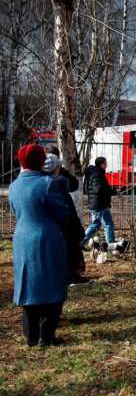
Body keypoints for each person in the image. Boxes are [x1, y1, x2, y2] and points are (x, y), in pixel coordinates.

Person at [10, 144, 69, 347]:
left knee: (29, 285)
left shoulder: (14, 185)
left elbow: (15, 211)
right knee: (50, 284)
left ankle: (31, 336)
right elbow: (62, 213)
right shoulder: (47, 183)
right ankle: (46, 336)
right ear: (40, 161)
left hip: (22, 238)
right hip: (47, 237)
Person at [43, 154, 89, 286]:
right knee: (69, 250)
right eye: (59, 166)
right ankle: (71, 277)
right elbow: (66, 210)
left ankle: (71, 276)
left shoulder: (47, 183)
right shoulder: (56, 183)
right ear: (55, 168)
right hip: (63, 226)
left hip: (55, 227)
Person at [82, 156, 126, 253]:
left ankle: (82, 241)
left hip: (96, 203)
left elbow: (89, 189)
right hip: (100, 204)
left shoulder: (91, 174)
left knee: (97, 224)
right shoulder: (97, 175)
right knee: (107, 224)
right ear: (102, 164)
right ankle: (110, 245)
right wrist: (114, 191)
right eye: (106, 163)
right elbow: (99, 190)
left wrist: (112, 189)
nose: (107, 165)